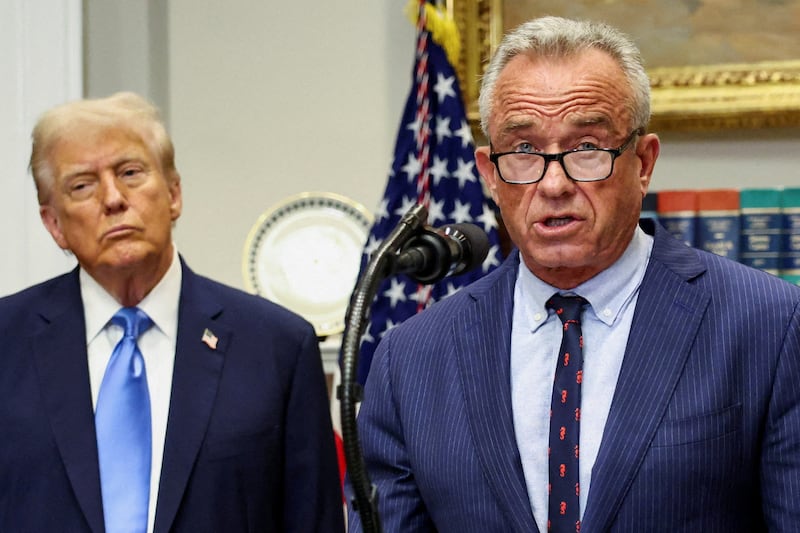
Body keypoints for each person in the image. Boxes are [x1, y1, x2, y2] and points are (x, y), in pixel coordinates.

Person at [347, 16, 800, 533]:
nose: (554, 184)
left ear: (643, 163)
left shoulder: (769, 325)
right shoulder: (410, 358)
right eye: (524, 151)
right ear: (490, 174)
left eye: (586, 148)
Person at [0, 92, 345, 533]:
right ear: (54, 225)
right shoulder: (8, 342)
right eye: (82, 185)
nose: (113, 199)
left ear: (174, 194)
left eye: (130, 173)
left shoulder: (277, 347)